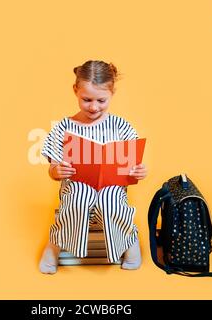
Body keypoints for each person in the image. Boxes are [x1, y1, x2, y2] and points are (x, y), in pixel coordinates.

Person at [39, 60, 148, 274]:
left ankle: (128, 241)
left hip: (112, 188)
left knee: (111, 204)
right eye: (86, 99)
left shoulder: (121, 126)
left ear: (112, 94)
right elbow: (52, 167)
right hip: (76, 187)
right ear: (75, 91)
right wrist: (55, 171)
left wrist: (139, 171)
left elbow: (134, 165)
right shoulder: (64, 127)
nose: (93, 107)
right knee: (77, 201)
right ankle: (54, 246)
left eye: (101, 100)